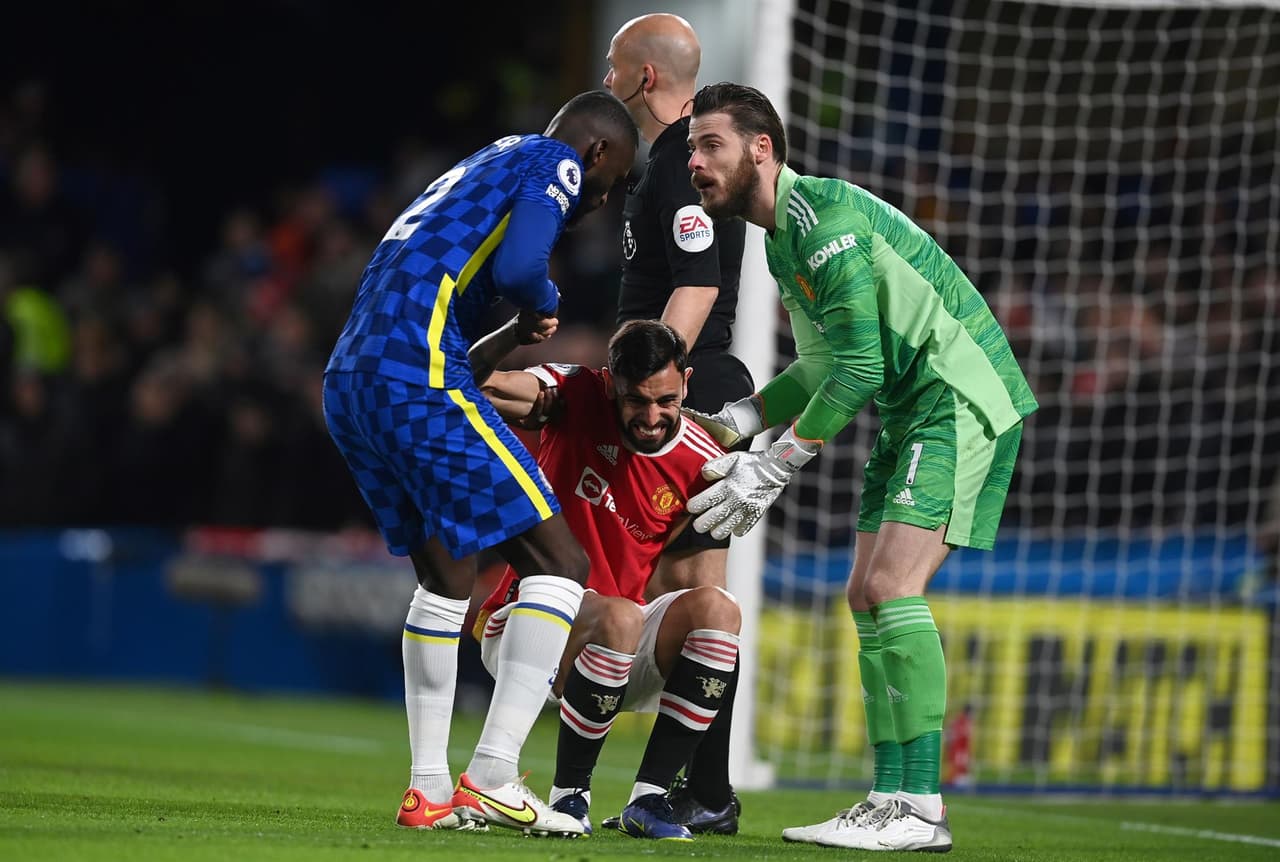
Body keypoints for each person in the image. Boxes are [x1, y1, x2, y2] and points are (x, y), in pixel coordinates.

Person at [682, 82, 1039, 852]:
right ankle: (890, 799)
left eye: (710, 145)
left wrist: (773, 466)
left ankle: (921, 808)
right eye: (689, 150)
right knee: (863, 594)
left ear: (761, 149)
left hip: (955, 392)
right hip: (912, 404)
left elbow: (862, 368)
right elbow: (819, 367)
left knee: (888, 587)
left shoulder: (825, 222)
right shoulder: (783, 238)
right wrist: (738, 422)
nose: (696, 163)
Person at [321, 90, 638, 837]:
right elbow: (530, 264)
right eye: (612, 179)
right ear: (595, 153)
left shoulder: (480, 171)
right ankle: (495, 771)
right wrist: (547, 296)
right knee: (560, 562)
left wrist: (519, 324)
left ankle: (428, 789)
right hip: (412, 372)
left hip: (351, 378)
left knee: (446, 576)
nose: (600, 199)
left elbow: (468, 336)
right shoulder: (553, 159)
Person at [468, 316, 740, 841]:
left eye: (666, 400)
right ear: (613, 382)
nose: (653, 417)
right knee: (618, 614)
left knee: (719, 609)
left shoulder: (706, 459)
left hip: (615, 645)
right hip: (524, 625)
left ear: (686, 382)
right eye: (637, 401)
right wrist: (510, 334)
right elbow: (478, 382)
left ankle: (650, 799)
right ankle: (570, 797)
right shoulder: (575, 393)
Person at [600, 12, 751, 834]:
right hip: (695, 386)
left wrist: (653, 389)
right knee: (689, 598)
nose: (606, 74)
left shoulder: (673, 161)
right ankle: (710, 791)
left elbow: (695, 284)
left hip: (697, 387)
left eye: (615, 63)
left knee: (694, 599)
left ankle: (706, 791)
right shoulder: (665, 161)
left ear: (645, 77)